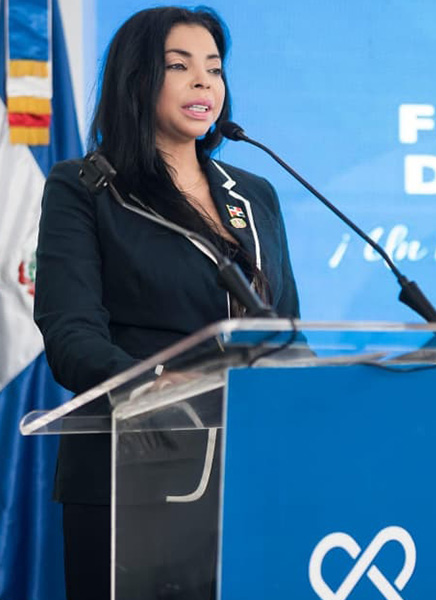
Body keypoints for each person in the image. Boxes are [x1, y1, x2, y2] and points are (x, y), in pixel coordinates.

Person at [33, 7, 299, 600]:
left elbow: (287, 330)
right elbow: (72, 338)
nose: (204, 81)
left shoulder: (255, 195)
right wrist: (159, 384)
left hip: (248, 469)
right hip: (134, 469)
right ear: (136, 79)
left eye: (214, 68)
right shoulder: (87, 187)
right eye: (180, 66)